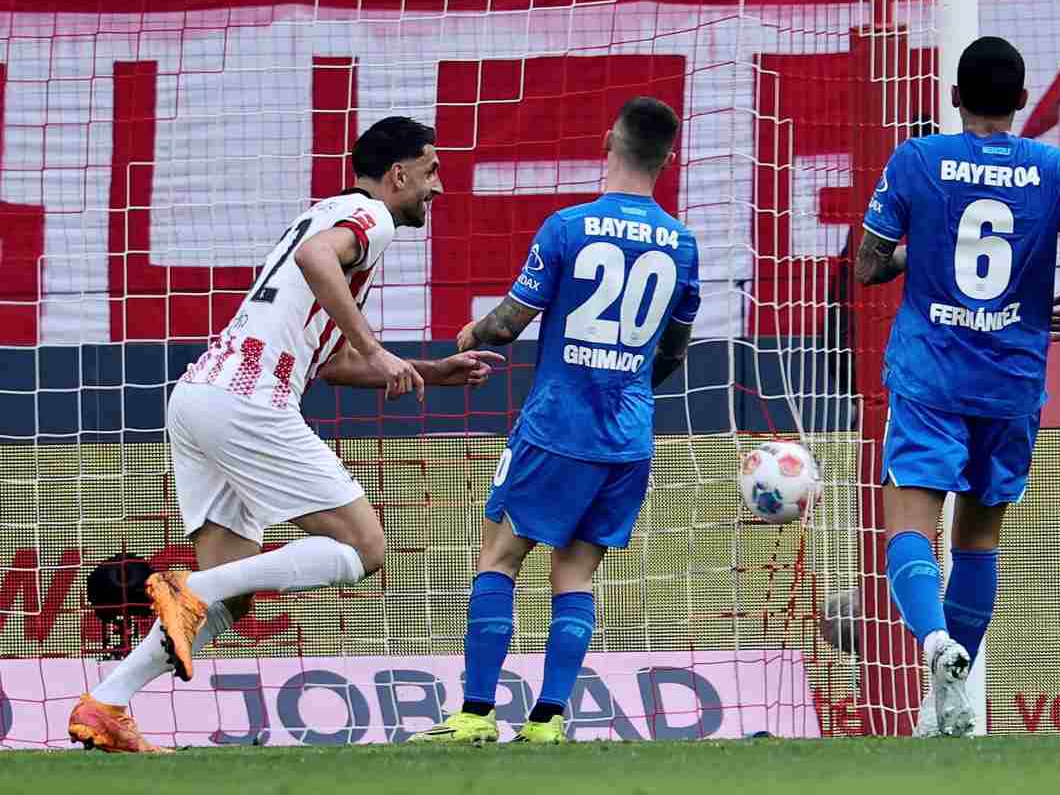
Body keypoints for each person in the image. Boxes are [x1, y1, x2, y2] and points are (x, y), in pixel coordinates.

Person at [67, 116, 504, 753]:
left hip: (199, 399)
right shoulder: (369, 219)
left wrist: (426, 372)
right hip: (248, 402)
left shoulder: (323, 212)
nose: (438, 187)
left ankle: (106, 702)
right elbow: (315, 259)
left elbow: (319, 359)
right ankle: (189, 587)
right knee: (365, 547)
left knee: (233, 595)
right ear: (399, 173)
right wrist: (374, 347)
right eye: (432, 171)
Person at [409, 97, 701, 744]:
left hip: (556, 428)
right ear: (668, 160)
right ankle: (548, 720)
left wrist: (468, 336)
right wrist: (619, 382)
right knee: (574, 573)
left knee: (500, 556)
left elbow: (507, 326)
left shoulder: (568, 227)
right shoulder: (682, 245)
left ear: (607, 141)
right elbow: (672, 355)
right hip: (628, 436)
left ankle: (477, 714)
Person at [855, 36, 1060, 737]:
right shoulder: (1056, 168)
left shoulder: (917, 159)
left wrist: (918, 253)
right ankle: (957, 700)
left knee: (911, 526)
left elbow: (869, 264)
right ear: (1022, 103)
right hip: (1009, 383)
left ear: (953, 98)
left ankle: (934, 642)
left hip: (930, 377)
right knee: (977, 543)